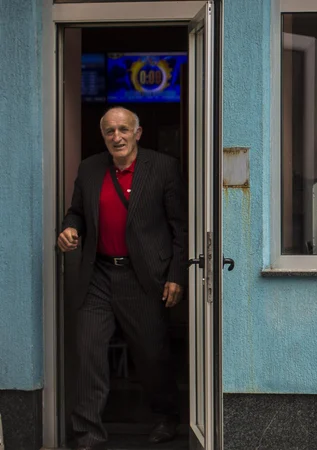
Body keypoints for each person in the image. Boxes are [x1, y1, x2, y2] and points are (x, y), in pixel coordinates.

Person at [58, 106, 187, 449]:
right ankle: (87, 432)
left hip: (142, 276)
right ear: (103, 136)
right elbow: (77, 212)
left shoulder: (162, 167)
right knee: (89, 351)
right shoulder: (89, 169)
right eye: (110, 131)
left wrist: (176, 275)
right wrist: (70, 228)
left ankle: (166, 418)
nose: (117, 137)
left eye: (123, 130)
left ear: (137, 133)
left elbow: (180, 226)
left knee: (151, 353)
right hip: (98, 273)